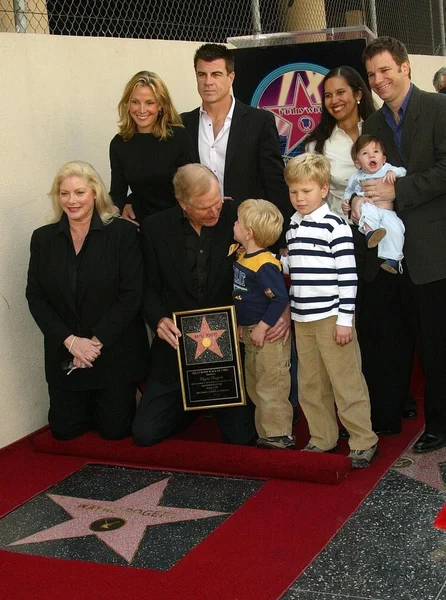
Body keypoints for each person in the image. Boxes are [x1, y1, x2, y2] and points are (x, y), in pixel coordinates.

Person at [133, 164, 289, 446]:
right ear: (182, 203)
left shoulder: (238, 221)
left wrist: (283, 310)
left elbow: (270, 264)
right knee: (145, 434)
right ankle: (194, 405)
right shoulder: (155, 229)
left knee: (241, 437)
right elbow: (147, 287)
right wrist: (158, 320)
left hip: (232, 347)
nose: (215, 211)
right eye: (205, 207)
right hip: (178, 348)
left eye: (218, 201)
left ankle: (215, 405)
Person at [354, 36, 446, 452]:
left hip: (432, 248)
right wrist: (358, 199)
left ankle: (440, 424)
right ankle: (396, 413)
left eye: (385, 70)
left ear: (406, 67)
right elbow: (367, 172)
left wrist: (398, 193)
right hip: (388, 256)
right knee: (397, 339)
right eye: (372, 74)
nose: (379, 80)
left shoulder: (439, 109)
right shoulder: (371, 125)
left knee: (435, 343)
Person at [26, 161, 150, 441]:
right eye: (64, 193)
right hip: (66, 355)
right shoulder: (43, 239)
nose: (72, 201)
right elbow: (35, 296)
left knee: (114, 431)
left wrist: (94, 343)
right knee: (64, 431)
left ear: (95, 193)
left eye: (79, 192)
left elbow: (132, 294)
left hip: (113, 353)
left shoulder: (123, 234)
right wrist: (70, 342)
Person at [283, 153, 378, 468]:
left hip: (331, 319)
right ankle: (322, 437)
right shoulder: (292, 227)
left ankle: (363, 440)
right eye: (294, 192)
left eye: (306, 191)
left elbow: (348, 277)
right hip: (302, 319)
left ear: (323, 190)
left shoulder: (335, 226)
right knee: (310, 383)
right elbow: (296, 267)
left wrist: (344, 320)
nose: (299, 198)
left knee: (345, 380)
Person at [181, 43, 292, 244]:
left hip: (248, 231)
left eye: (215, 74)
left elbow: (274, 182)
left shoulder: (259, 121)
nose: (208, 82)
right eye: (201, 75)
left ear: (230, 77)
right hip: (199, 233)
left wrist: (282, 238)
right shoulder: (183, 124)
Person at [232, 199, 293, 450]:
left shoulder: (265, 263)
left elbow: (279, 298)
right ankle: (265, 434)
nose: (233, 224)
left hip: (266, 335)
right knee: (255, 385)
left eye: (238, 221)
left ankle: (279, 435)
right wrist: (239, 324)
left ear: (249, 233)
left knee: (272, 385)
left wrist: (262, 326)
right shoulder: (244, 256)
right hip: (248, 331)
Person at [109, 71, 194, 226]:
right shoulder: (119, 144)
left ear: (161, 105)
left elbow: (193, 186)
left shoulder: (178, 138)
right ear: (127, 104)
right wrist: (113, 213)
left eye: (149, 103)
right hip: (141, 225)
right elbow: (117, 192)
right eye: (135, 102)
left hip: (177, 225)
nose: (141, 110)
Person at [306, 65, 376, 219]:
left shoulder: (380, 131)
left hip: (386, 227)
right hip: (342, 232)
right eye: (328, 95)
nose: (334, 100)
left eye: (340, 92)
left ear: (358, 95)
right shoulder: (317, 146)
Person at [342, 134, 406, 274]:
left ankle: (393, 260)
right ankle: (370, 232)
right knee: (367, 208)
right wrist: (347, 202)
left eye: (376, 152)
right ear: (357, 163)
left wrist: (392, 172)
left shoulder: (387, 168)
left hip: (388, 211)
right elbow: (349, 191)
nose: (372, 156)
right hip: (369, 205)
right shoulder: (356, 177)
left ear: (383, 159)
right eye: (365, 153)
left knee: (397, 229)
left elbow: (403, 171)